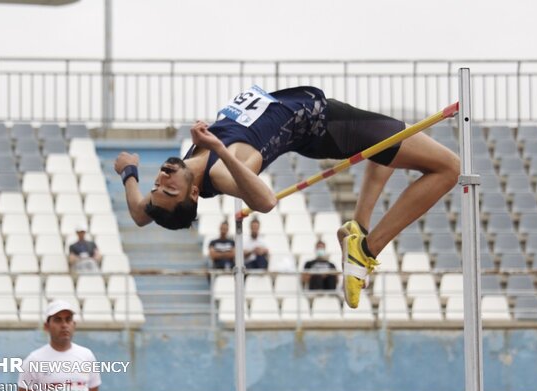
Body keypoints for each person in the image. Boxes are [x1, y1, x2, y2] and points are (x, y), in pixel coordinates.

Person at [114, 85, 459, 308]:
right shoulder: (222, 169)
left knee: (388, 145)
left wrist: (129, 172)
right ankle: (367, 249)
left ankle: (359, 229)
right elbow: (265, 200)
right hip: (326, 123)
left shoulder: (189, 166)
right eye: (168, 188)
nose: (160, 180)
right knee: (448, 167)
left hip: (316, 121)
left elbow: (140, 214)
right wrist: (219, 146)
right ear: (192, 192)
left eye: (157, 186)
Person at [16, 300, 101, 391]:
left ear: (74, 325)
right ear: (47, 326)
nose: (64, 325)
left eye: (68, 319)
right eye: (57, 320)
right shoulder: (34, 360)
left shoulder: (87, 356)